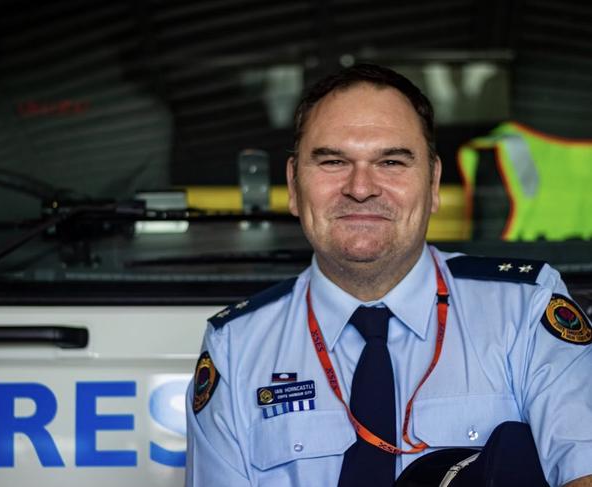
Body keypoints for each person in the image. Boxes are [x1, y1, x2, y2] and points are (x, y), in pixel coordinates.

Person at [185, 64, 592, 487]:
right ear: (292, 183)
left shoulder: (525, 312)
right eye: (333, 161)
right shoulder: (236, 347)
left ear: (433, 182)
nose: (361, 187)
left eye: (391, 161)